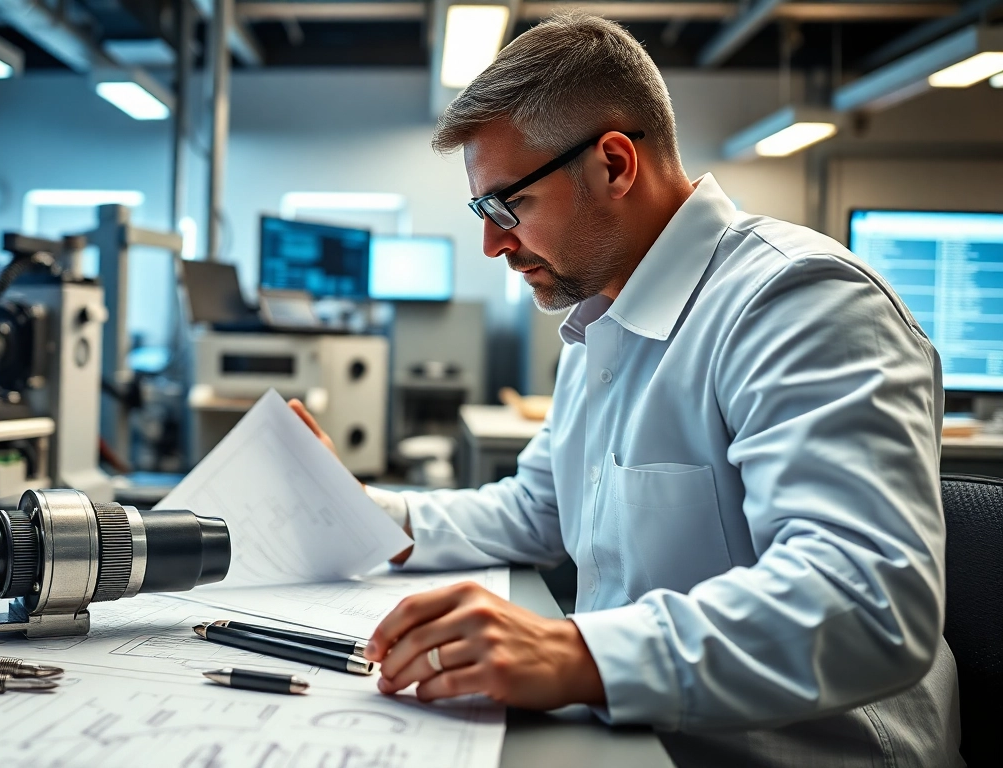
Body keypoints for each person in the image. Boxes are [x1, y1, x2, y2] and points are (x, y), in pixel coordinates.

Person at [289, 13, 960, 767]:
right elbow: (538, 509)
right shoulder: (600, 321)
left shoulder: (799, 302)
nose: (493, 243)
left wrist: (572, 653)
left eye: (508, 206)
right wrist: (366, 512)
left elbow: (867, 601)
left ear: (614, 164)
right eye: (483, 212)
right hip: (641, 735)